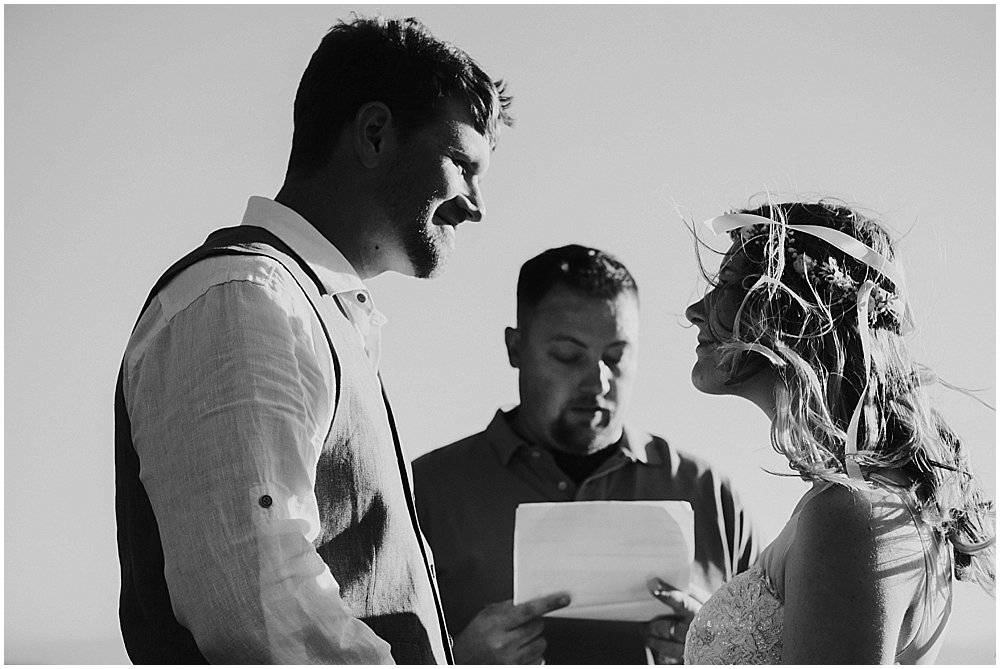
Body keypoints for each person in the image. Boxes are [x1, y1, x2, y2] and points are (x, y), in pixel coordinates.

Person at [114, 16, 512, 664]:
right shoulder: (244, 297)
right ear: (376, 133)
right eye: (462, 163)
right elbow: (262, 606)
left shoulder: (303, 307)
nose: (477, 204)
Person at [655, 200, 996, 664]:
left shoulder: (851, 516)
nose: (696, 309)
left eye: (728, 284)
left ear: (799, 312)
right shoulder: (856, 506)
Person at [413, 245, 760, 664]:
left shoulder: (711, 498)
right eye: (568, 355)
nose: (598, 381)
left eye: (615, 356)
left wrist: (725, 654)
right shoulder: (421, 493)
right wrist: (455, 660)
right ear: (515, 349)